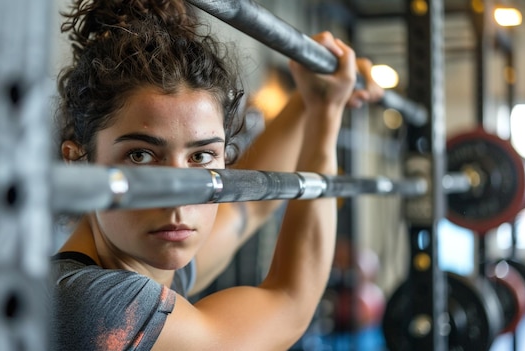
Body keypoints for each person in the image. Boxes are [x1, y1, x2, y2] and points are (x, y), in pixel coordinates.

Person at [50, 0, 383, 350]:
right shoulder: (87, 305)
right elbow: (290, 302)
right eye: (141, 155)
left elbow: (249, 208)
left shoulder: (144, 259)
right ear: (79, 161)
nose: (180, 197)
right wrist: (326, 112)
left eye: (201, 155)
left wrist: (311, 96)